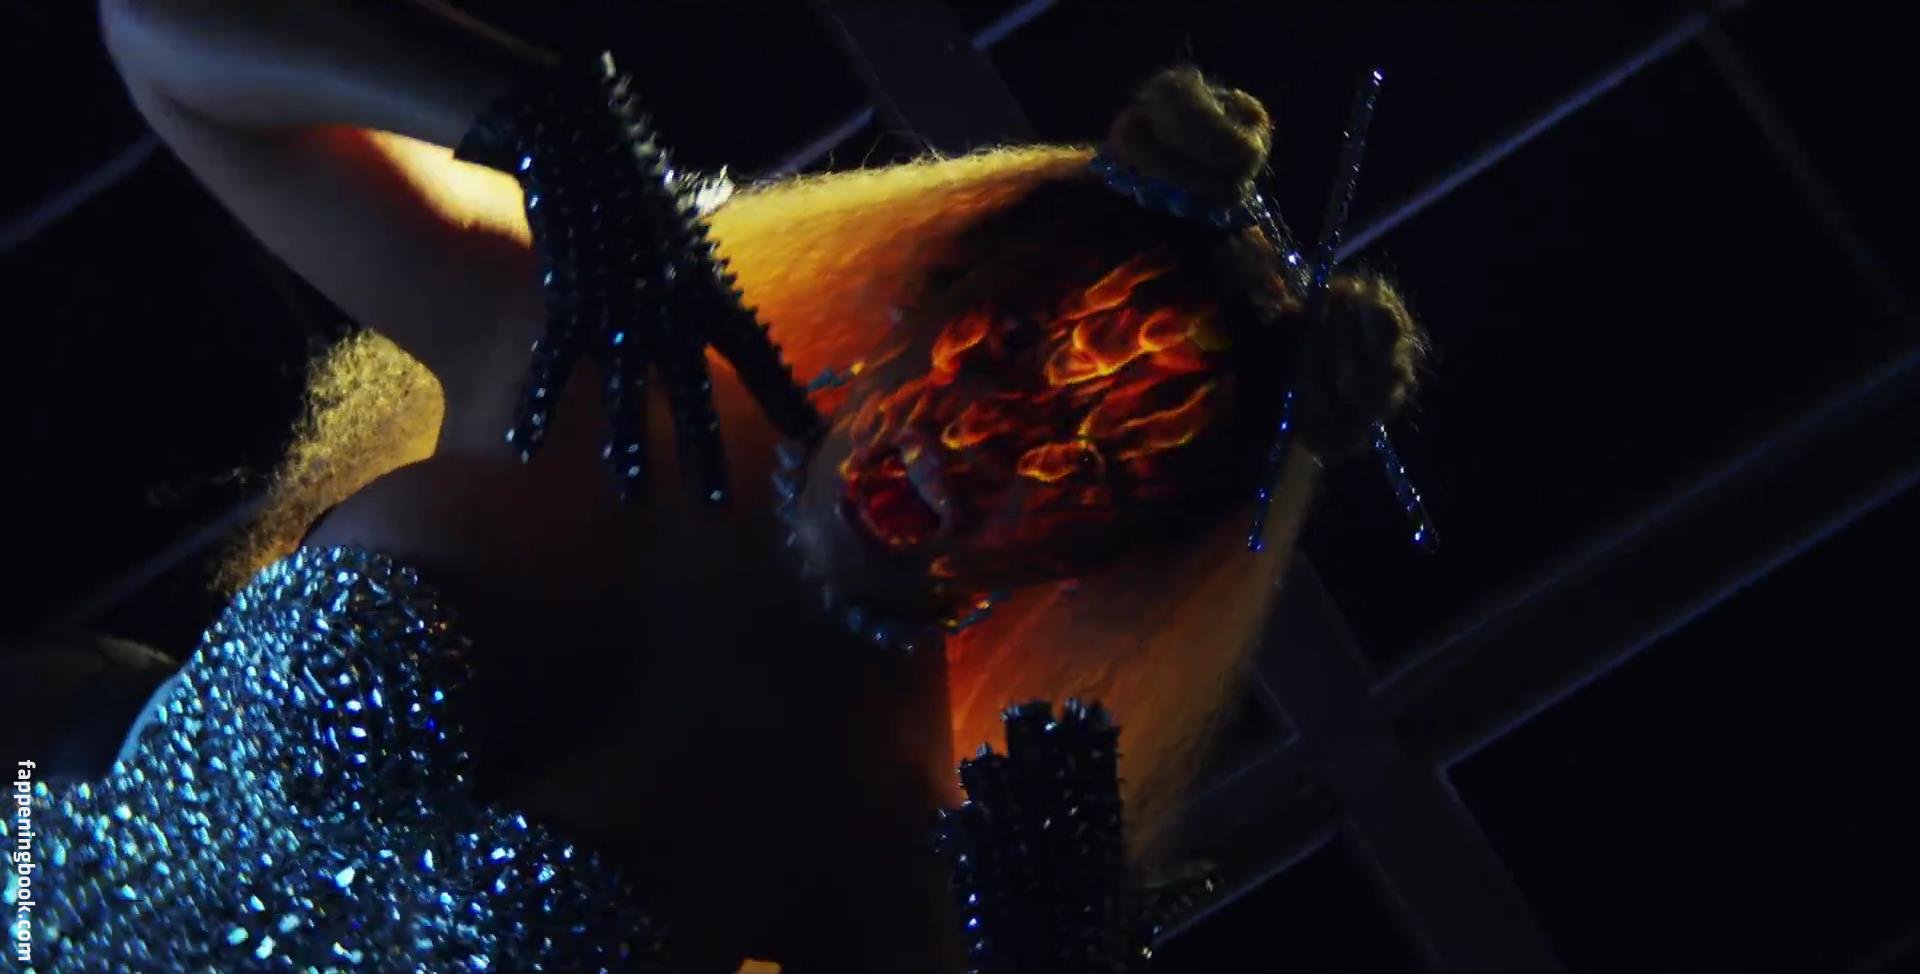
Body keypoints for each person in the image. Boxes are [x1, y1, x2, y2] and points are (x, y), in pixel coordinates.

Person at [11, 2, 1425, 970]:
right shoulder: (598, 348)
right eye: (1003, 355)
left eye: (1085, 463)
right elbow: (161, 30)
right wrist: (526, 107)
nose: (973, 449)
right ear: (929, 292)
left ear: (1101, 562)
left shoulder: (881, 838)